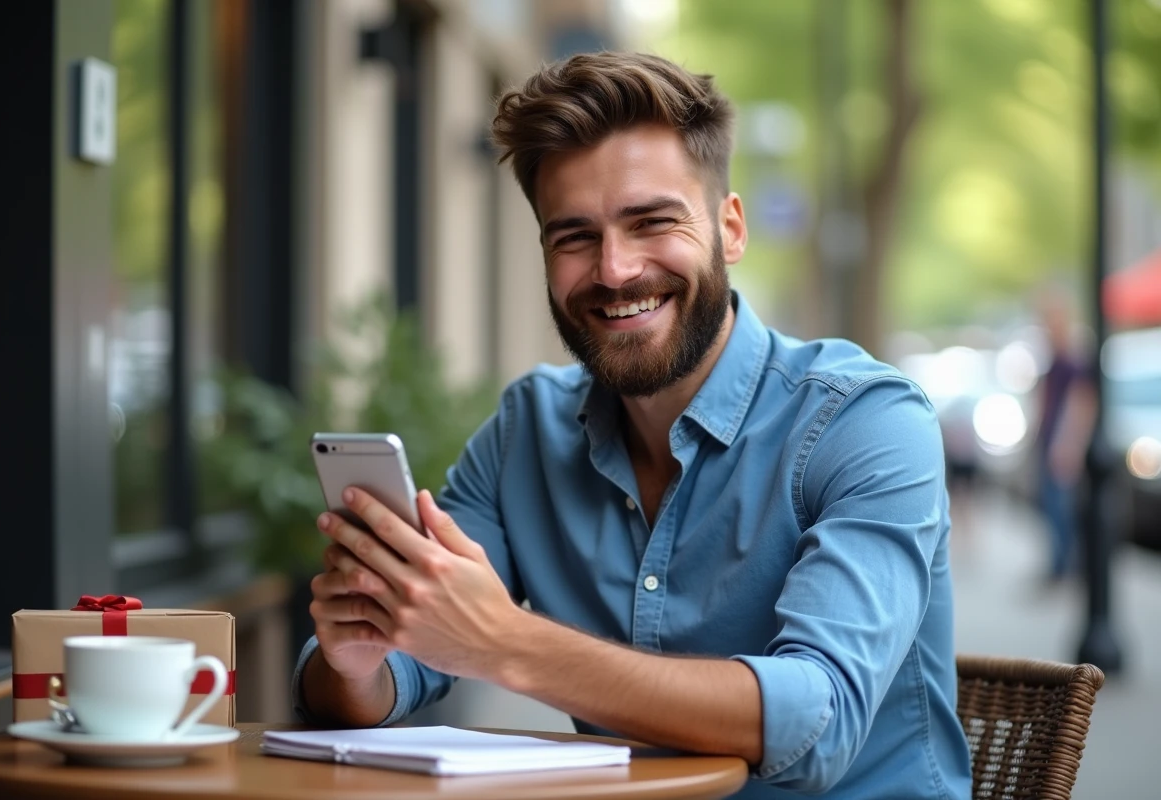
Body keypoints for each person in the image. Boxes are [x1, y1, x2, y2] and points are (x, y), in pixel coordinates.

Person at [292, 52, 971, 798]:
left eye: (652, 221)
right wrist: (358, 664)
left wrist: (504, 643)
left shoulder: (867, 421)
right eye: (574, 237)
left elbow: (818, 720)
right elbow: (386, 675)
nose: (614, 270)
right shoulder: (526, 432)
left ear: (730, 229)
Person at [1034, 286, 1097, 581]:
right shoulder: (1054, 360)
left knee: (1062, 509)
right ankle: (1059, 566)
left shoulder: (1073, 360)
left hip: (1060, 446)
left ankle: (1066, 568)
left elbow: (1082, 404)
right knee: (1052, 507)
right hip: (1049, 442)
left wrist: (1069, 445)